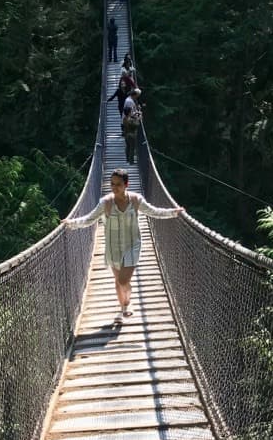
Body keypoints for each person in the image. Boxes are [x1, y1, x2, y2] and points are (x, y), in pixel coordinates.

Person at [63, 168, 184, 324]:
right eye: (112, 184)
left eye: (118, 184)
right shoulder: (105, 203)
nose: (114, 187)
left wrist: (174, 212)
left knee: (122, 280)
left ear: (127, 184)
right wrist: (71, 223)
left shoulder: (135, 200)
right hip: (113, 248)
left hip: (132, 245)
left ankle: (128, 302)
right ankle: (123, 308)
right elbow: (89, 219)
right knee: (118, 280)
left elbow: (154, 212)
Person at [122, 88, 142, 163]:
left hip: (126, 133)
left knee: (127, 147)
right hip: (132, 134)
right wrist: (139, 118)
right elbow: (136, 124)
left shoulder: (125, 119)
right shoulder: (129, 120)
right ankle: (131, 161)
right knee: (132, 148)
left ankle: (127, 159)